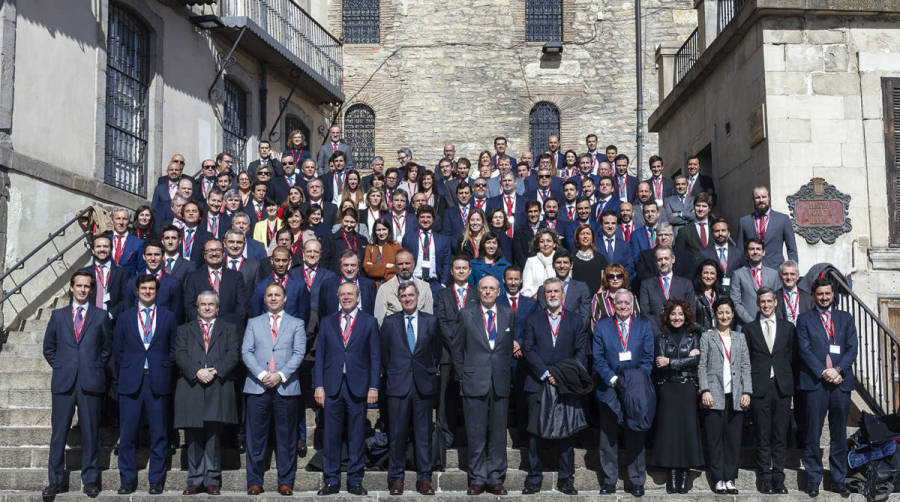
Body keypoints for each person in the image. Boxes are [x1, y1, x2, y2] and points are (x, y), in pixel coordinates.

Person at [42, 271, 112, 499]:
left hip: (90, 382)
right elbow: (49, 348)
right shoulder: (58, 316)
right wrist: (63, 365)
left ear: (92, 290)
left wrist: (91, 366)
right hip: (64, 382)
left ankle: (90, 480)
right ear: (71, 288)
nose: (82, 290)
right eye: (79, 286)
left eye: (87, 286)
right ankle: (54, 481)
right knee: (58, 434)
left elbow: (106, 349)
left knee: (91, 433)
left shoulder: (101, 316)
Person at [520, 277, 586, 495]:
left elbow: (580, 351)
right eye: (548, 292)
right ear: (543, 295)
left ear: (563, 294)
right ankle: (534, 478)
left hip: (565, 383)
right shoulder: (533, 319)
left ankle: (566, 478)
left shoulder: (576, 320)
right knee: (535, 433)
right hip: (538, 382)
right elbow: (528, 349)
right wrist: (546, 373)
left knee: (567, 433)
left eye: (556, 291)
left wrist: (561, 375)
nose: (552, 295)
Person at [314, 282, 380, 496]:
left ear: (358, 297)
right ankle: (331, 480)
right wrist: (319, 386)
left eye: (350, 294)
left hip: (358, 386)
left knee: (356, 435)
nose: (346, 297)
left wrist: (373, 386)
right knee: (331, 436)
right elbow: (320, 357)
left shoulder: (369, 322)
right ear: (338, 297)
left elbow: (375, 357)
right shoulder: (327, 322)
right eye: (342, 294)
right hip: (332, 386)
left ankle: (355, 480)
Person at [451, 276, 515, 495]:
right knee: (476, 432)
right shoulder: (466, 314)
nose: (488, 292)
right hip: (473, 381)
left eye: (492, 289)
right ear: (478, 292)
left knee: (498, 433)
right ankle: (477, 478)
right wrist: (463, 375)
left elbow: (505, 350)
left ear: (499, 292)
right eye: (484, 288)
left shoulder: (508, 314)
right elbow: (457, 349)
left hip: (499, 382)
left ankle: (496, 477)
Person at [114, 275, 177, 495]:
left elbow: (173, 347)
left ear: (157, 291)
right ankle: (127, 479)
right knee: (128, 433)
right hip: (131, 380)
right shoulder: (125, 317)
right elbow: (117, 350)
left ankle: (156, 480)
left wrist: (164, 365)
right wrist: (129, 368)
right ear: (137, 291)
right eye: (144, 288)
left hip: (158, 379)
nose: (148, 292)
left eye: (151, 288)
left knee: (159, 433)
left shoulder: (169, 316)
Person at [242, 282, 306, 496]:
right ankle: (254, 481)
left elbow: (299, 353)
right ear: (264, 298)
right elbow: (246, 352)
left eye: (277, 295)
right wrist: (262, 375)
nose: (273, 298)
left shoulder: (296, 324)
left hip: (286, 387)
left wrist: (280, 375)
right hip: (257, 387)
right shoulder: (253, 323)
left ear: (285, 298)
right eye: (269, 295)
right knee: (256, 438)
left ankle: (286, 482)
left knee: (286, 438)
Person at [173, 291, 240, 495]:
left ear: (218, 308)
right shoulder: (184, 330)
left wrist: (216, 370)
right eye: (203, 304)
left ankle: (212, 479)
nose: (207, 308)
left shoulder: (229, 329)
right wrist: (196, 371)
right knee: (193, 436)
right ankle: (194, 479)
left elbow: (233, 354)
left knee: (213, 436)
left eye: (211, 304)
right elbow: (180, 354)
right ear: (197, 307)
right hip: (192, 386)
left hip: (217, 385)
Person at [796, 278, 857, 497]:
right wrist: (824, 371)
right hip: (816, 384)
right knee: (813, 433)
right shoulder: (804, 319)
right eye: (820, 294)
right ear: (814, 296)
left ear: (833, 295)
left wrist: (838, 370)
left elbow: (852, 348)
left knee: (839, 434)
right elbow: (804, 349)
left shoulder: (846, 318)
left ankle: (838, 478)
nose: (824, 298)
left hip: (840, 384)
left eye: (827, 294)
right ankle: (813, 478)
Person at [593, 289, 654, 496]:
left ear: (633, 304)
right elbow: (598, 358)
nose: (623, 306)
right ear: (613, 304)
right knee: (608, 437)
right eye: (619, 302)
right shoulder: (602, 326)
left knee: (635, 434)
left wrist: (633, 382)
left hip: (635, 390)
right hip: (609, 387)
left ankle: (636, 480)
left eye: (627, 302)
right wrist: (614, 380)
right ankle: (609, 480)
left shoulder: (643, 326)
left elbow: (647, 358)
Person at [381, 282, 441, 495]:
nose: (407, 299)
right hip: (398, 386)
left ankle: (424, 479)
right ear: (399, 298)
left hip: (423, 386)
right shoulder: (389, 323)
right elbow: (384, 355)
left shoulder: (431, 322)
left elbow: (436, 352)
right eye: (403, 295)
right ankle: (396, 479)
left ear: (418, 296)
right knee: (397, 435)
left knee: (423, 435)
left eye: (411, 295)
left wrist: (427, 371)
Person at [698, 297, 752, 495]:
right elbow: (702, 366)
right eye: (720, 312)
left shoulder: (740, 337)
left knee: (733, 439)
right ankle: (718, 478)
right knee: (715, 439)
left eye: (728, 312)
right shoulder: (707, 337)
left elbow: (746, 366)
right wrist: (705, 389)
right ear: (715, 314)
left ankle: (730, 477)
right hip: (714, 394)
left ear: (733, 314)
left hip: (736, 395)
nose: (724, 316)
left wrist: (747, 391)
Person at [744, 288, 795, 494]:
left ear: (776, 303)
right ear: (758, 304)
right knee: (763, 434)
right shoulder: (749, 328)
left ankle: (779, 478)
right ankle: (765, 477)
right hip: (759, 387)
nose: (765, 305)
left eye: (769, 301)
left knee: (780, 434)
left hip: (782, 387)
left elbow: (791, 356)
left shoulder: (788, 328)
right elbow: (746, 360)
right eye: (762, 302)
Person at [650, 298, 703, 494]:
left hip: (687, 387)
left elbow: (696, 360)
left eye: (680, 314)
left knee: (687, 432)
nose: (677, 317)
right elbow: (659, 363)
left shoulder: (693, 337)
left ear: (686, 316)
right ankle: (672, 474)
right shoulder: (661, 338)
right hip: (668, 389)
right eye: (673, 314)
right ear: (667, 316)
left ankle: (684, 474)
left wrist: (672, 362)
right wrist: (685, 360)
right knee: (670, 433)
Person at [432, 256, 480, 469]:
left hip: (471, 355)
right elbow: (441, 321)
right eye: (457, 268)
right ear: (451, 271)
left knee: (470, 400)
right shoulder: (442, 294)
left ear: (470, 271)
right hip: (447, 354)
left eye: (464, 268)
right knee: (444, 400)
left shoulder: (477, 293)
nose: (460, 271)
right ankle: (444, 443)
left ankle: (469, 442)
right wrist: (455, 344)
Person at [183, 239, 249, 328]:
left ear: (223, 253)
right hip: (201, 330)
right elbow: (189, 305)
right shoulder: (193, 277)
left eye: (218, 250)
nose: (214, 254)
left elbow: (241, 306)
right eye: (210, 250)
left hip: (229, 330)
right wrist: (204, 323)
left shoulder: (236, 277)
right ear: (204, 255)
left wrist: (225, 325)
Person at [737, 186, 799, 270]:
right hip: (751, 271)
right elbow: (740, 251)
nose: (761, 200)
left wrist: (792, 270)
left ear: (769, 198)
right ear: (753, 200)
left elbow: (791, 249)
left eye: (764, 197)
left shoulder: (783, 219)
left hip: (776, 270)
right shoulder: (744, 221)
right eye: (757, 197)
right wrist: (743, 270)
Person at [639, 246, 695, 332]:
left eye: (666, 258)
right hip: (656, 335)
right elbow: (645, 312)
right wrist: (659, 334)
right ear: (655, 262)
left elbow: (691, 310)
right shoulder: (646, 285)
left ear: (673, 259)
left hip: (680, 334)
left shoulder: (686, 284)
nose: (663, 262)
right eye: (659, 259)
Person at [730, 238, 780, 325]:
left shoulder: (774, 274)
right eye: (752, 249)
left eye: (758, 249)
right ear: (746, 253)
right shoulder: (738, 274)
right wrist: (751, 322)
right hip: (745, 325)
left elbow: (777, 299)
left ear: (763, 252)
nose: (755, 252)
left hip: (769, 324)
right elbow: (735, 302)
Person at [402, 205, 451, 292]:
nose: (425, 220)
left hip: (435, 285)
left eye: (428, 217)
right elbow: (403, 261)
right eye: (422, 217)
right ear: (417, 219)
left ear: (433, 219)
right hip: (414, 283)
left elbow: (447, 263)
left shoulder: (443, 240)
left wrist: (443, 284)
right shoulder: (408, 238)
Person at [79, 234, 129, 315]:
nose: (102, 249)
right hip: (88, 321)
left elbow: (126, 299)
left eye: (105, 246)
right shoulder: (83, 273)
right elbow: (76, 299)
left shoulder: (122, 273)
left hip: (112, 321)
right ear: (93, 250)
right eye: (98, 246)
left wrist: (110, 315)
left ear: (111, 249)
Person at [699, 217, 742, 291]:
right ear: (712, 234)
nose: (720, 234)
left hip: (734, 293)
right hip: (714, 293)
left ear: (728, 233)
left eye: (723, 230)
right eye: (717, 231)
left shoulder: (738, 253)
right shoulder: (704, 254)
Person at [590, 263, 634, 329]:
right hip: (606, 336)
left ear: (623, 278)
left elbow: (636, 319)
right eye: (611, 276)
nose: (615, 279)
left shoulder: (631, 296)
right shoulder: (598, 298)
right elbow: (595, 323)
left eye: (619, 276)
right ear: (607, 279)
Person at [595, 210, 635, 278]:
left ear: (617, 225)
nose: (610, 226)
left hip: (620, 284)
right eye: (607, 223)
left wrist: (620, 279)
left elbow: (630, 266)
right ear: (601, 225)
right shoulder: (594, 245)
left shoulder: (625, 246)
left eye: (613, 223)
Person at [674, 192, 714, 258]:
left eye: (704, 206)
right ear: (694, 207)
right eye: (698, 206)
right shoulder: (684, 231)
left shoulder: (715, 228)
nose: (700, 209)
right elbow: (679, 256)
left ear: (709, 209)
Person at [363, 218, 402, 284]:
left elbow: (399, 267)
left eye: (384, 229)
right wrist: (386, 266)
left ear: (389, 230)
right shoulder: (369, 247)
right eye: (378, 230)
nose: (381, 233)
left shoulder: (396, 246)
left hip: (391, 284)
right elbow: (367, 268)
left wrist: (375, 267)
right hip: (374, 286)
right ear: (374, 231)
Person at [521, 228, 559, 297]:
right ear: (538, 245)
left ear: (554, 244)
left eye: (549, 241)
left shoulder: (560, 261)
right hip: (535, 301)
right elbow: (526, 288)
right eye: (542, 241)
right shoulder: (531, 261)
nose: (545, 244)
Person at [775, 260, 814, 325]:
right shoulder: (774, 297)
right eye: (785, 274)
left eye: (792, 274)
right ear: (780, 276)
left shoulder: (808, 298)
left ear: (797, 276)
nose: (789, 277)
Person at [109, 208, 145, 274]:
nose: (121, 222)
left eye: (125, 219)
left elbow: (142, 270)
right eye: (118, 218)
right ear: (112, 220)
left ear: (129, 221)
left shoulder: (138, 243)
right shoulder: (104, 240)